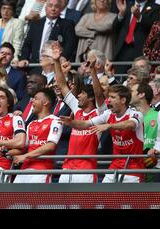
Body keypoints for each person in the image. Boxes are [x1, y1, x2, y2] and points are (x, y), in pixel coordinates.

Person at [61, 85, 145, 183]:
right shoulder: (108, 114)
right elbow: (85, 123)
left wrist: (109, 126)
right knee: (103, 197)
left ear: (123, 100)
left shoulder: (136, 114)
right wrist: (71, 122)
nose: (108, 100)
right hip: (115, 167)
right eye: (108, 97)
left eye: (113, 97)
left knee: (128, 199)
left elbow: (130, 124)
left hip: (133, 170)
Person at [52, 43, 99, 183]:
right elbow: (62, 85)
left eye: (82, 93)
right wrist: (56, 61)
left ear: (90, 97)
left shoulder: (100, 114)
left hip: (86, 170)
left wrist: (93, 72)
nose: (78, 96)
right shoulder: (77, 109)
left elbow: (98, 94)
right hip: (67, 168)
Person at [13, 88, 63, 183]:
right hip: (24, 170)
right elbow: (23, 146)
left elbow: (50, 146)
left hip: (42, 170)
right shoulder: (31, 124)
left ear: (45, 102)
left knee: (36, 198)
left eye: (35, 98)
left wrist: (25, 156)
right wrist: (7, 152)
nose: (32, 101)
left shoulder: (56, 121)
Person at [18, 0, 77, 69]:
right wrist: (24, 58)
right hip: (35, 66)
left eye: (56, 6)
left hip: (55, 67)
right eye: (50, 6)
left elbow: (70, 45)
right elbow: (27, 44)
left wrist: (63, 57)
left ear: (61, 9)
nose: (53, 9)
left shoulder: (67, 24)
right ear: (45, 8)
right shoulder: (35, 24)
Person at [130, 82, 158, 181]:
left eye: (132, 91)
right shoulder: (129, 118)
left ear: (142, 94)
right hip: (132, 170)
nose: (128, 94)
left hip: (155, 171)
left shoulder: (157, 116)